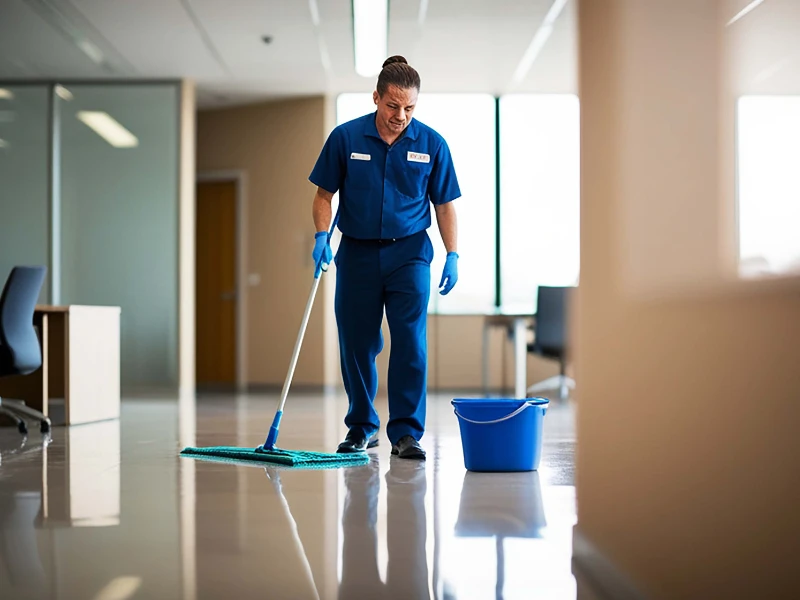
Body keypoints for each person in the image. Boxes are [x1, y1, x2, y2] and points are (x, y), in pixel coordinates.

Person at [308, 55, 461, 460]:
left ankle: (406, 433)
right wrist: (322, 235)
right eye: (393, 106)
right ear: (376, 97)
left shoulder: (432, 144)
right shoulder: (346, 138)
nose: (400, 116)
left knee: (410, 342)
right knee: (357, 343)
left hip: (409, 254)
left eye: (409, 108)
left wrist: (453, 253)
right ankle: (362, 427)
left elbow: (445, 205)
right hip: (356, 254)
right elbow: (324, 195)